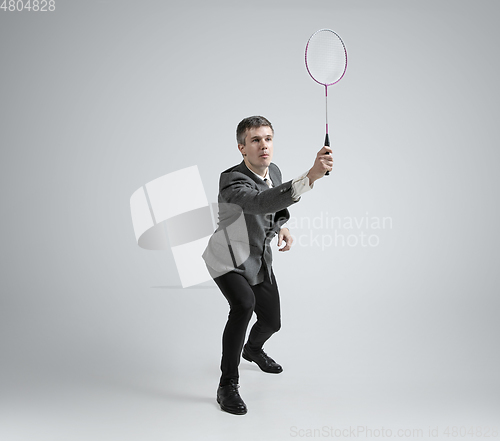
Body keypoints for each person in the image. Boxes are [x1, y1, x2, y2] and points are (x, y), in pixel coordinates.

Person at [202, 115, 333, 415]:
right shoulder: (231, 180)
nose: (264, 145)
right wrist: (310, 176)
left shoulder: (273, 170)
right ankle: (227, 385)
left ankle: (252, 349)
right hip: (228, 260)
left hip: (258, 259)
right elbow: (259, 203)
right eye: (255, 140)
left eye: (268, 139)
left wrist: (281, 227)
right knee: (243, 305)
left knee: (272, 322)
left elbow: (274, 207)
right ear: (242, 148)